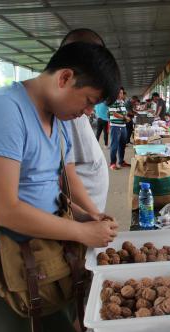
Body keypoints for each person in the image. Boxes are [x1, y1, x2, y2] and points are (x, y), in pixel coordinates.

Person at [0, 41, 120, 332]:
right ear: (65, 77)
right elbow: (3, 209)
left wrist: (89, 215)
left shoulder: (58, 121)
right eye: (88, 101)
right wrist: (81, 233)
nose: (88, 112)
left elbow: (57, 185)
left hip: (46, 254)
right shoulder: (2, 110)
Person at [61, 28, 109, 213]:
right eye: (88, 101)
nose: (89, 112)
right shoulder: (66, 111)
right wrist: (89, 220)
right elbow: (7, 209)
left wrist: (93, 218)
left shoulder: (70, 108)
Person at [109, 87, 130, 169]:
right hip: (115, 126)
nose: (120, 94)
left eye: (121, 93)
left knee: (122, 145)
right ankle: (112, 163)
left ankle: (121, 161)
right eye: (118, 93)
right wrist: (125, 118)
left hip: (123, 126)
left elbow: (124, 113)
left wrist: (127, 117)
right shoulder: (112, 102)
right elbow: (114, 114)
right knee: (114, 145)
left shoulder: (122, 102)